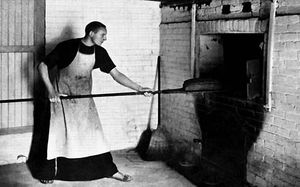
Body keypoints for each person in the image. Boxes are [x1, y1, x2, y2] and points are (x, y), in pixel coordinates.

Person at [35, 21, 152, 184]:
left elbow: (116, 74)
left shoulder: (100, 52)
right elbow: (42, 66)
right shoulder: (67, 47)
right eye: (102, 34)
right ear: (91, 33)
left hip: (84, 101)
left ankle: (111, 171)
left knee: (96, 138)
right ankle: (47, 174)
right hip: (62, 100)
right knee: (57, 138)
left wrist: (139, 88)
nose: (105, 38)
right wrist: (51, 90)